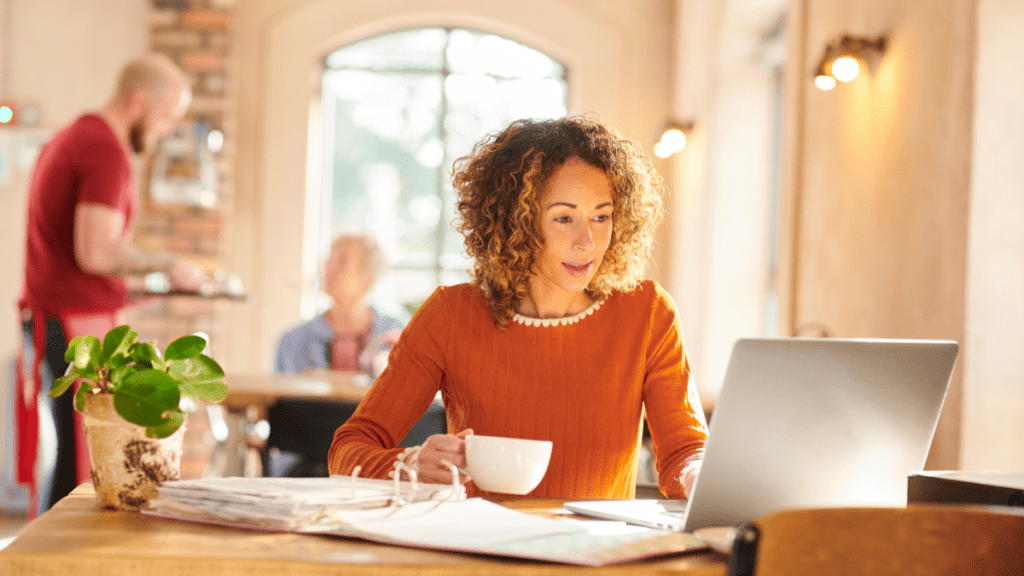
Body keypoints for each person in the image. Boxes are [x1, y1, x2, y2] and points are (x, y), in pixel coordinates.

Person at [328, 116, 708, 499]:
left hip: (597, 554)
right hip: (480, 550)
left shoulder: (647, 313)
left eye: (601, 217)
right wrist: (408, 464)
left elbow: (686, 452)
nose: (587, 241)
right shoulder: (450, 315)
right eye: (564, 218)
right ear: (518, 221)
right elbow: (348, 450)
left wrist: (696, 474)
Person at [17, 53, 205, 514]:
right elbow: (96, 253)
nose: (162, 132)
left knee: (74, 453)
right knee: (86, 462)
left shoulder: (72, 137)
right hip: (72, 325)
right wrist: (167, 262)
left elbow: (78, 259)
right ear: (137, 101)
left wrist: (146, 288)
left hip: (57, 316)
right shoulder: (103, 148)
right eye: (164, 118)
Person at [268, 233, 446, 477]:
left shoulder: (401, 333)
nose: (329, 269)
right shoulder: (292, 341)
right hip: (308, 467)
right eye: (328, 261)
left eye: (341, 261)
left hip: (385, 464)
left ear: (368, 277)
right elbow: (276, 411)